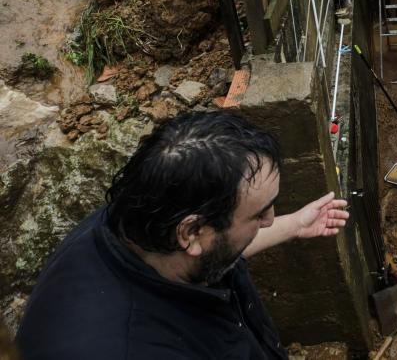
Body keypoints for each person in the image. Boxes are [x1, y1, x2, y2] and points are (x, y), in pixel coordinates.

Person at [15, 111, 349, 359]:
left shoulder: (140, 221)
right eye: (260, 212)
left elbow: (220, 250)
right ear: (191, 231)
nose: (270, 219)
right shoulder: (129, 347)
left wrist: (295, 225)